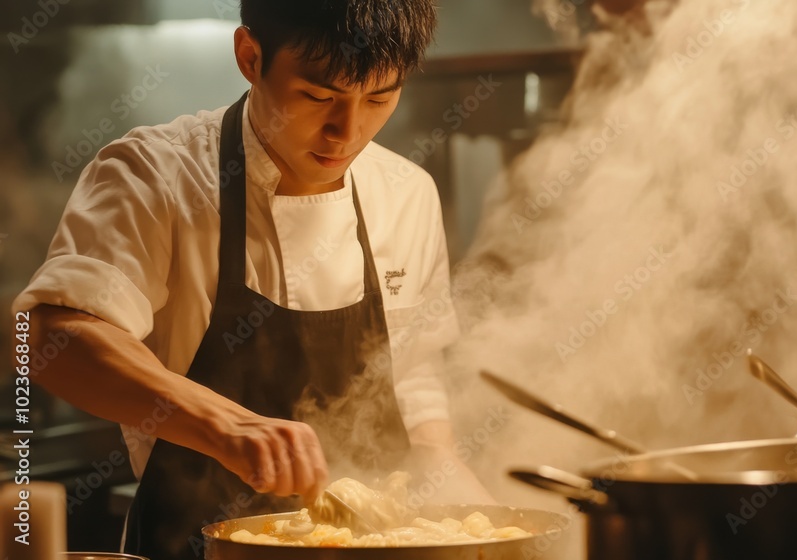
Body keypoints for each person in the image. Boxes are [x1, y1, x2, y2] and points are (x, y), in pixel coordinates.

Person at [13, 2, 489, 558]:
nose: (348, 131)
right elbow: (53, 338)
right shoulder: (156, 175)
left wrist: (483, 527)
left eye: (380, 97)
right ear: (250, 56)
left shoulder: (406, 194)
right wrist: (229, 427)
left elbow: (417, 391)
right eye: (319, 97)